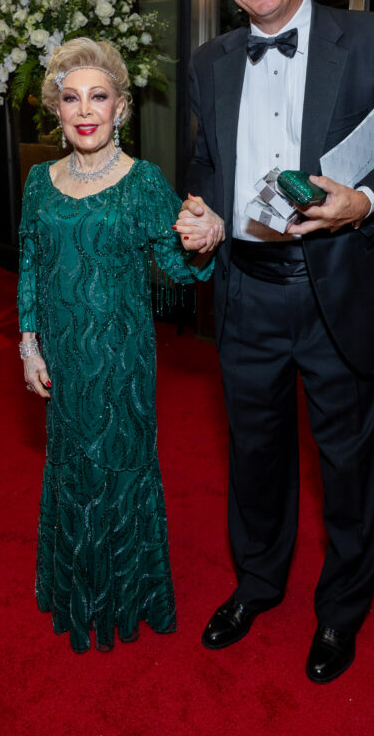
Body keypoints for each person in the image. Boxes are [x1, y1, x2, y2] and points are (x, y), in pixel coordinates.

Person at [179, 0, 374, 683]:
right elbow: (206, 165)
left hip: (339, 291)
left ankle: (340, 614)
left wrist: (362, 201)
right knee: (254, 457)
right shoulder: (207, 62)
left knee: (347, 467)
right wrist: (203, 211)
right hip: (246, 294)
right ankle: (256, 585)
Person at [17, 37, 223, 653]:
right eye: (71, 97)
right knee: (72, 468)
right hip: (61, 357)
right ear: (55, 109)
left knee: (120, 471)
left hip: (121, 360)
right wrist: (29, 346)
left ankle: (124, 596)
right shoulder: (37, 180)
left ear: (121, 108)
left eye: (98, 97)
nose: (85, 110)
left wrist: (204, 238)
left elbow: (180, 273)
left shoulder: (143, 184)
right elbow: (29, 261)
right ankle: (74, 586)